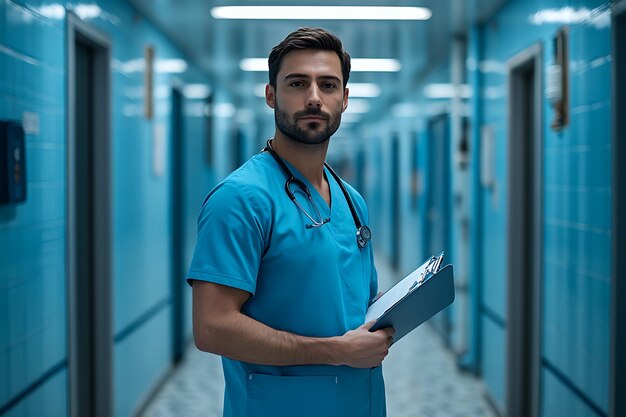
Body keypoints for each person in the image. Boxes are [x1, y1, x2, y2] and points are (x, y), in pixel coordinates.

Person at [187, 27, 394, 417]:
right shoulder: (241, 199)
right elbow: (212, 327)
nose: (314, 98)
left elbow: (349, 301)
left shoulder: (352, 201)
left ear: (345, 99)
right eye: (298, 83)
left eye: (328, 85)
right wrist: (334, 351)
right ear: (271, 95)